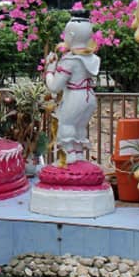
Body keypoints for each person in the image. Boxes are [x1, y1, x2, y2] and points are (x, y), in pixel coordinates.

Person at [44, 15, 101, 165]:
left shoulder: (70, 60)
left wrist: (50, 70)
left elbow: (55, 87)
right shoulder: (92, 58)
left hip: (75, 96)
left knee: (66, 125)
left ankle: (70, 156)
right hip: (89, 96)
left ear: (71, 35)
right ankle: (78, 154)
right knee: (80, 126)